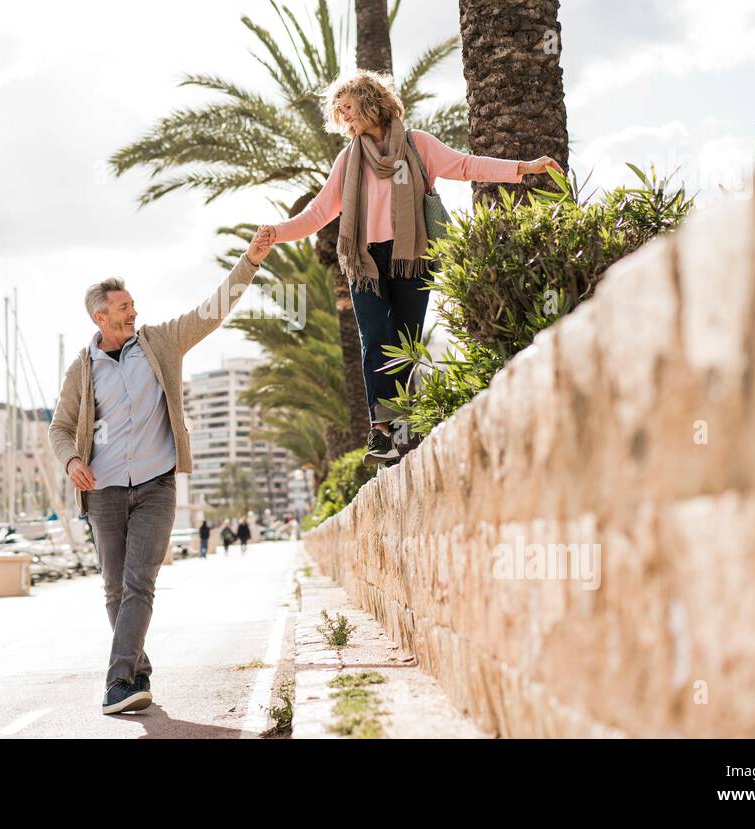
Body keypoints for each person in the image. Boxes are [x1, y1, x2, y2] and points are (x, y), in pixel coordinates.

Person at [256, 70, 556, 467]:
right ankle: (381, 430)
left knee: (405, 342)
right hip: (366, 262)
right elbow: (318, 212)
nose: (345, 118)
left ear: (370, 101)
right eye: (340, 112)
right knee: (375, 337)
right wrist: (275, 232)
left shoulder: (417, 146)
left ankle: (402, 428)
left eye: (349, 108)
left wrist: (524, 167)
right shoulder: (348, 160)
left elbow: (466, 166)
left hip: (412, 257)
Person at [49, 234, 270, 716]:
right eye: (123, 308)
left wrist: (249, 263)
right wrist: (71, 460)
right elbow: (60, 428)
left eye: (133, 305)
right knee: (113, 589)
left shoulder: (159, 343)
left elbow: (209, 313)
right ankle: (138, 668)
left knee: (140, 583)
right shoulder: (81, 370)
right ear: (99, 318)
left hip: (156, 485)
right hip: (104, 491)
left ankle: (116, 682)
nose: (133, 312)